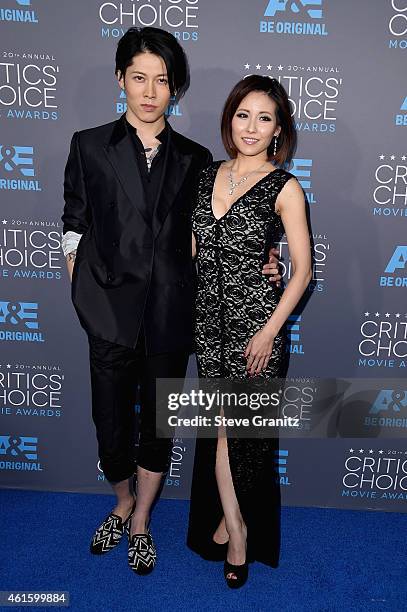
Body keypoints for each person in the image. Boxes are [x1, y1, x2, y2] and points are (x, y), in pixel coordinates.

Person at [62, 27, 282, 576]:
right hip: (108, 315)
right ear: (121, 80)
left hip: (169, 316)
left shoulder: (195, 157)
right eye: (139, 78)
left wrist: (265, 258)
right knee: (110, 428)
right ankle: (121, 500)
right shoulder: (88, 145)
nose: (150, 91)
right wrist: (83, 291)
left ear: (175, 88)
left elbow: (216, 228)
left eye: (161, 80)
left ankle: (140, 523)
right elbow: (73, 225)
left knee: (157, 428)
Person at [187, 75, 312, 588]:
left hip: (255, 331)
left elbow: (303, 271)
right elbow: (194, 251)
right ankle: (228, 520)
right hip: (207, 329)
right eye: (244, 115)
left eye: (265, 118)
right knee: (223, 432)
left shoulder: (285, 187)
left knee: (235, 435)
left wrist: (268, 332)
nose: (252, 127)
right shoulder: (205, 175)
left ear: (278, 129)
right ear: (229, 118)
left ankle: (238, 533)